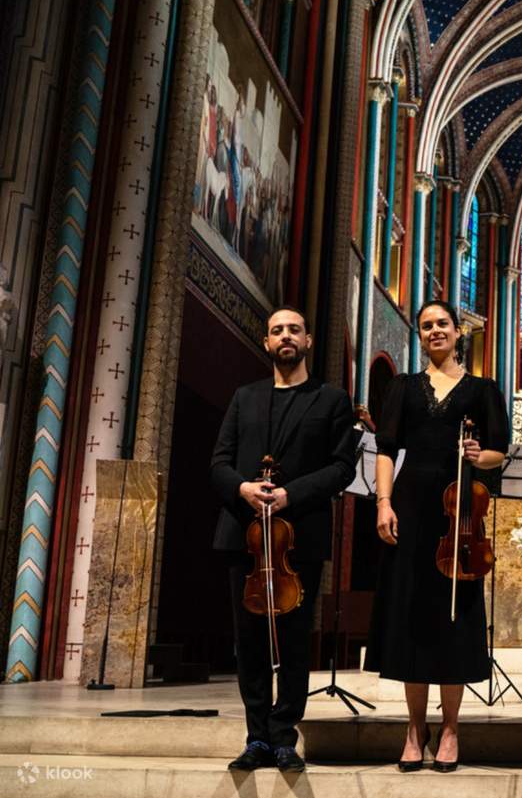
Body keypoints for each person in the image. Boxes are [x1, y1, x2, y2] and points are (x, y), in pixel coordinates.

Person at [211, 307, 359, 773]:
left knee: (294, 640)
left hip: (299, 536)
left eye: (294, 329)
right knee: (250, 640)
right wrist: (243, 488)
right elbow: (219, 462)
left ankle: (284, 737)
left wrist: (290, 494)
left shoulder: (332, 400)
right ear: (267, 342)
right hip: (245, 535)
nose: (285, 336)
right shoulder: (245, 397)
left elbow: (342, 467)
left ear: (308, 340)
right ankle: (256, 737)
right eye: (277, 331)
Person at [364, 300, 508, 772]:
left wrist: (478, 455)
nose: (434, 331)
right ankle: (414, 727)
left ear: (458, 330)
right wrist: (383, 503)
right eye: (426, 326)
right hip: (409, 507)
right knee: (412, 616)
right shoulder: (404, 387)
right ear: (420, 335)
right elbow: (386, 449)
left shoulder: (483, 389)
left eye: (442, 323)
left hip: (459, 515)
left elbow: (499, 451)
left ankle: (449, 728)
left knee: (455, 619)